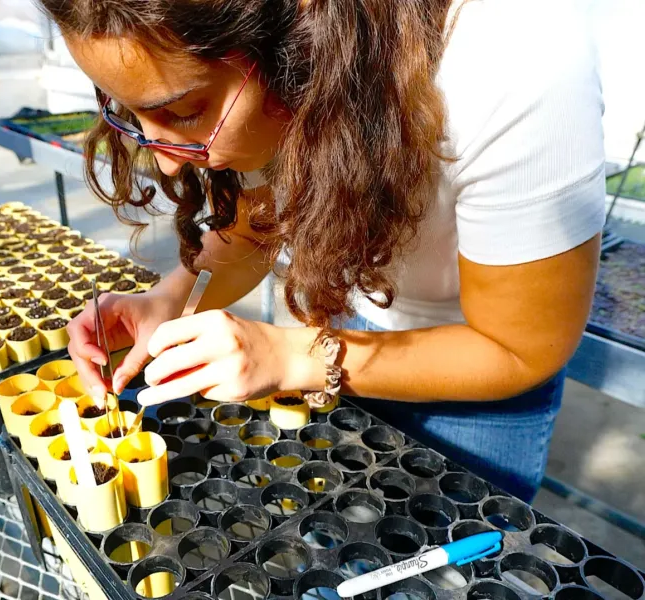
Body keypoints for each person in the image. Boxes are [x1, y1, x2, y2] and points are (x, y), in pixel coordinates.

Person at [44, 0, 605, 502]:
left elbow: (517, 348)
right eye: (125, 110)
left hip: (480, 381)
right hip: (355, 331)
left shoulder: (522, 60)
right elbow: (257, 222)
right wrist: (168, 301)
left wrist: (296, 356)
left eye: (185, 111)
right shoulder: (296, 55)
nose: (166, 162)